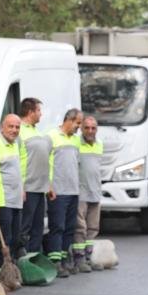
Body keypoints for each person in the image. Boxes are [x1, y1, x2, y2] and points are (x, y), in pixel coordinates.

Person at [0, 114, 24, 271]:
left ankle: (9, 269)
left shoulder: (16, 143)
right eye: (11, 126)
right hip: (0, 201)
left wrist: (22, 189)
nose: (14, 130)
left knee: (14, 238)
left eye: (17, 127)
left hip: (15, 199)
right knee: (0, 238)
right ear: (2, 127)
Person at [47, 109, 82, 277]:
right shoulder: (51, 137)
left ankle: (64, 258)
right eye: (78, 123)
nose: (79, 127)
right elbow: (45, 164)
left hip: (73, 191)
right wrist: (49, 185)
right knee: (57, 227)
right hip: (58, 191)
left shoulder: (76, 140)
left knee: (69, 228)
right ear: (69, 120)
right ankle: (55, 262)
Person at [20, 98, 52, 257]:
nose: (41, 114)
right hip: (28, 187)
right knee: (25, 226)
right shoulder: (19, 130)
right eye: (39, 110)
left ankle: (34, 258)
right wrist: (21, 186)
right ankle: (21, 258)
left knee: (38, 227)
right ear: (30, 112)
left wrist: (49, 185)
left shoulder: (38, 132)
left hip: (41, 188)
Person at [74, 116, 104, 272]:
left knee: (93, 227)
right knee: (80, 227)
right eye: (87, 128)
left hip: (95, 192)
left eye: (93, 128)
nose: (90, 131)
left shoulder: (100, 145)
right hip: (81, 192)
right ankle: (78, 259)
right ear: (81, 129)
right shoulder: (76, 144)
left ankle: (88, 257)